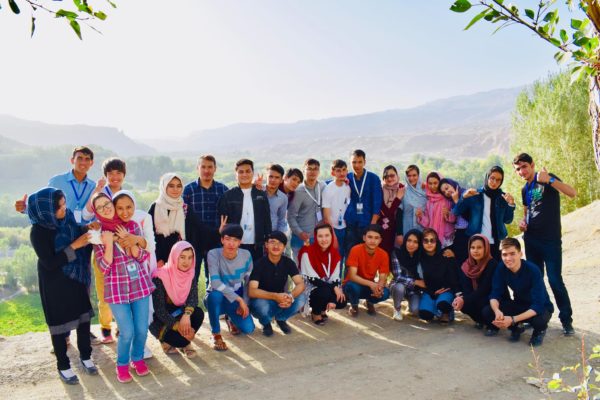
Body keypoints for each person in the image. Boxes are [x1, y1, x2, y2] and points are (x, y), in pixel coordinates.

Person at [28, 188, 98, 385]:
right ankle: (63, 365)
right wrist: (75, 245)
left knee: (84, 320)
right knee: (59, 326)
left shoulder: (66, 218)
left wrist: (86, 229)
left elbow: (76, 232)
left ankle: (86, 356)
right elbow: (49, 263)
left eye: (64, 204)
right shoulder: (38, 232)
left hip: (76, 276)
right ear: (46, 209)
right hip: (54, 282)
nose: (64, 209)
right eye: (59, 207)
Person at [92, 193, 154, 383]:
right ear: (96, 211)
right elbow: (103, 267)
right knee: (126, 331)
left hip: (139, 285)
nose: (105, 208)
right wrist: (109, 243)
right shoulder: (98, 235)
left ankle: (137, 359)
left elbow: (143, 257)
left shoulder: (133, 226)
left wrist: (131, 242)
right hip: (117, 290)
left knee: (142, 329)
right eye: (100, 207)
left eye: (107, 204)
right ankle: (122, 364)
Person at [513, 153, 576, 336]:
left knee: (555, 280)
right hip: (531, 240)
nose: (522, 171)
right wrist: (522, 223)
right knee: (535, 280)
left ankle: (566, 321)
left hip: (550, 241)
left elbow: (572, 193)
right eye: (518, 169)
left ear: (532, 165)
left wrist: (549, 180)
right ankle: (538, 316)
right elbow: (527, 212)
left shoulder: (547, 179)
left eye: (524, 166)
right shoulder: (525, 189)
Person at [482, 238, 554, 347]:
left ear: (520, 254)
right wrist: (497, 311)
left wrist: (512, 319)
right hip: (519, 304)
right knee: (488, 311)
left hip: (540, 307)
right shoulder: (501, 268)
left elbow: (538, 305)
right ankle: (517, 327)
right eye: (504, 255)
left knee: (539, 321)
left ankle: (539, 331)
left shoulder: (533, 270)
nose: (508, 258)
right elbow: (495, 294)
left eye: (512, 254)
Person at [205, 224, 255, 351]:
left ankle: (231, 318)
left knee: (248, 329)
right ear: (222, 240)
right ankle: (216, 334)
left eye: (235, 240)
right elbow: (215, 283)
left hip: (235, 298)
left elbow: (249, 282)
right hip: (218, 298)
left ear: (240, 241)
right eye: (227, 239)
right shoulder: (213, 254)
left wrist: (245, 303)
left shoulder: (246, 255)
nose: (231, 244)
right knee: (215, 296)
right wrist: (239, 300)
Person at [150, 241, 204, 358]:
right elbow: (159, 310)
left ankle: (185, 339)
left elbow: (193, 298)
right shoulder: (160, 276)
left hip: (180, 312)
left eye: (190, 258)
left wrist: (186, 315)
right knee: (181, 341)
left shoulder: (191, 273)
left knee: (198, 313)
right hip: (162, 319)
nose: (187, 262)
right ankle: (173, 341)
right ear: (174, 257)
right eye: (182, 257)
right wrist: (178, 326)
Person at [248, 231, 306, 336]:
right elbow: (252, 291)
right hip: (263, 300)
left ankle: (281, 319)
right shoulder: (259, 264)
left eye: (280, 243)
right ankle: (266, 323)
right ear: (266, 245)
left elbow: (300, 284)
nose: (276, 246)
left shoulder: (288, 262)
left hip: (281, 300)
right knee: (261, 305)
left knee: (301, 297)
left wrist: (290, 296)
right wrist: (275, 296)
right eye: (272, 242)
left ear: (284, 247)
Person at [452, 166, 516, 261]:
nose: (494, 182)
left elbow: (508, 220)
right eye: (492, 178)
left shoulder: (503, 198)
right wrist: (463, 198)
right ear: (487, 177)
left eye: (498, 180)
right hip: (477, 241)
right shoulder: (475, 194)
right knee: (478, 272)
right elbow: (456, 212)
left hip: (495, 241)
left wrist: (511, 205)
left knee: (493, 271)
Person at [183, 154, 228, 282]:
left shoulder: (223, 190)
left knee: (215, 280)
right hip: (193, 242)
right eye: (203, 167)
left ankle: (211, 302)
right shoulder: (188, 190)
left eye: (210, 167)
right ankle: (191, 303)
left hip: (216, 241)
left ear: (215, 169)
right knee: (191, 279)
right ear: (198, 168)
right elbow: (183, 217)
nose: (207, 170)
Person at [217, 159, 272, 262]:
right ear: (236, 175)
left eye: (248, 171)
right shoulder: (228, 196)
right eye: (241, 172)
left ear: (253, 173)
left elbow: (267, 220)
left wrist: (268, 239)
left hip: (257, 245)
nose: (244, 174)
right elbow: (221, 222)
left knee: (255, 275)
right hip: (235, 245)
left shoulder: (261, 195)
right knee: (236, 276)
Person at [299, 222, 346, 325]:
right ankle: (315, 313)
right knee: (324, 291)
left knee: (342, 299)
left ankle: (322, 309)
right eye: (320, 236)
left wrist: (334, 298)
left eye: (327, 235)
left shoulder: (334, 253)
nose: (324, 239)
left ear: (331, 236)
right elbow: (313, 280)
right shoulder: (307, 253)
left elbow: (335, 277)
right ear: (315, 237)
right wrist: (334, 290)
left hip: (326, 287)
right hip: (311, 289)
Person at [452, 234, 500, 330]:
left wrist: (464, 299)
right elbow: (465, 287)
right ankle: (481, 321)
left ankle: (493, 325)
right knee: (463, 304)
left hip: (492, 299)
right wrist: (459, 298)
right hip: (476, 296)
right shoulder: (467, 265)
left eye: (479, 247)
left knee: (484, 308)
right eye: (472, 247)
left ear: (486, 248)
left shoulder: (492, 264)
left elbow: (484, 289)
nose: (475, 251)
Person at [343, 224, 390, 317]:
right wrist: (371, 284)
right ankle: (354, 305)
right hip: (354, 284)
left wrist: (379, 288)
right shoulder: (355, 250)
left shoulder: (383, 254)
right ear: (364, 237)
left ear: (380, 240)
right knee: (351, 287)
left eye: (376, 238)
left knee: (386, 293)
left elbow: (383, 277)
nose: (373, 241)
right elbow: (352, 276)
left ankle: (370, 302)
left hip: (369, 287)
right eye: (370, 237)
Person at [344, 150, 383, 255]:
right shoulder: (347, 178)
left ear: (364, 162)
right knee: (351, 254)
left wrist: (372, 225)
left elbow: (377, 202)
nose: (357, 165)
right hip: (351, 224)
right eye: (354, 162)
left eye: (360, 162)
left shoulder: (373, 178)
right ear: (350, 163)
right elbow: (333, 184)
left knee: (366, 257)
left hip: (367, 224)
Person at [288, 158, 326, 261]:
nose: (312, 172)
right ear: (304, 170)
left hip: (318, 238)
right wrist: (300, 233)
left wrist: (346, 180)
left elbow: (335, 183)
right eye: (309, 168)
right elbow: (290, 216)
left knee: (315, 272)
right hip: (300, 238)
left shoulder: (322, 186)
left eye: (315, 169)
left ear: (319, 171)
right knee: (299, 273)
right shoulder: (298, 191)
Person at [418, 228, 459, 323]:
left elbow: (453, 277)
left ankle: (447, 312)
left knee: (443, 304)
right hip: (429, 291)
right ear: (421, 242)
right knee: (425, 315)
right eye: (426, 240)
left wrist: (447, 289)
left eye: (432, 240)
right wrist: (432, 292)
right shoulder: (419, 258)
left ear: (437, 241)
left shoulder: (446, 255)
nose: (429, 243)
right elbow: (419, 281)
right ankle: (435, 309)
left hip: (445, 290)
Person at [148, 173, 187, 268]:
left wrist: (219, 231)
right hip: (159, 259)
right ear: (164, 187)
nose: (175, 189)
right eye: (171, 186)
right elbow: (149, 234)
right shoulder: (155, 207)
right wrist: (158, 258)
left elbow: (198, 230)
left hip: (180, 259)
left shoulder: (185, 208)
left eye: (179, 186)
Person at [389, 229, 423, 321]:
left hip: (414, 290)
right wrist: (415, 282)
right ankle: (397, 309)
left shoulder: (421, 256)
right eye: (409, 240)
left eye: (415, 242)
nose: (411, 244)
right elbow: (398, 277)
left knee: (415, 310)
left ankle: (410, 304)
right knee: (400, 287)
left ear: (420, 244)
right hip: (398, 286)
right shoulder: (396, 253)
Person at [321, 159, 351, 260]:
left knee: (344, 257)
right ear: (332, 172)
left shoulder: (348, 187)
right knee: (334, 258)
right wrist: (332, 235)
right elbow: (326, 215)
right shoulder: (328, 189)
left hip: (346, 227)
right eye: (338, 170)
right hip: (333, 229)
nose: (342, 173)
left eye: (344, 170)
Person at [417, 172, 456, 248]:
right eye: (430, 183)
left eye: (435, 183)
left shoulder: (447, 198)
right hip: (432, 238)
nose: (432, 186)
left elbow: (455, 218)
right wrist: (421, 216)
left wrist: (448, 214)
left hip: (446, 238)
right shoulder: (429, 201)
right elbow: (428, 223)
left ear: (440, 182)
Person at [439, 177, 469, 265]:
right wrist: (448, 215)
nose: (447, 192)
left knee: (463, 260)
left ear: (452, 184)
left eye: (447, 188)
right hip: (459, 233)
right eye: (444, 192)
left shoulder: (465, 194)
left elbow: (469, 216)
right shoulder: (452, 202)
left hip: (469, 233)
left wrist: (457, 201)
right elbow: (457, 220)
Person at [379, 165, 405, 255]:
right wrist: (397, 199)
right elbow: (386, 213)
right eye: (386, 176)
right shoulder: (380, 190)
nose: (389, 178)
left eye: (392, 175)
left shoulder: (402, 188)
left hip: (398, 229)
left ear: (397, 176)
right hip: (383, 230)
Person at [400, 164, 427, 235]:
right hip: (406, 227)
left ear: (419, 175)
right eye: (409, 176)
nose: (411, 178)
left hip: (423, 227)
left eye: (414, 175)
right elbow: (399, 213)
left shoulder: (425, 190)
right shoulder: (403, 191)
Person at [265, 164, 289, 233]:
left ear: (281, 180)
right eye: (270, 176)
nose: (273, 180)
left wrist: (279, 237)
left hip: (273, 233)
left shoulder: (283, 198)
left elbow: (281, 220)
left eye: (277, 177)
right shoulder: (257, 191)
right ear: (266, 177)